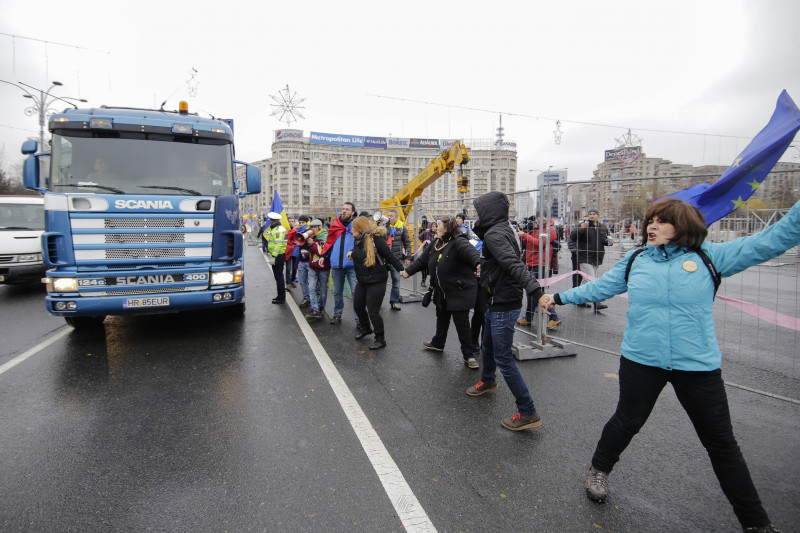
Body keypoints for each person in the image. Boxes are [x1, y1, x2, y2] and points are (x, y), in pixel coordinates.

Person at [542, 197, 800, 533]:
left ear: (684, 227)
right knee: (627, 420)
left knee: (721, 443)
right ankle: (599, 469)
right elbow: (602, 286)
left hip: (698, 367)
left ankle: (756, 523)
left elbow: (776, 238)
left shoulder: (710, 257)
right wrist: (558, 297)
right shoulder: (637, 260)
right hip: (641, 360)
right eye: (651, 220)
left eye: (662, 221)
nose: (652, 225)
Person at [465, 191, 551, 431]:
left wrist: (537, 292)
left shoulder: (494, 234)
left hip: (505, 301)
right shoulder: (501, 228)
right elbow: (501, 262)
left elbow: (514, 264)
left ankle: (528, 412)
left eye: (478, 211)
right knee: (488, 347)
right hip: (497, 298)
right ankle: (488, 381)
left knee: (503, 357)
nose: (475, 215)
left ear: (489, 212)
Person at [402, 216, 482, 368]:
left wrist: (478, 263)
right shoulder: (436, 242)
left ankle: (469, 354)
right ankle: (438, 343)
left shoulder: (459, 241)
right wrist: (408, 272)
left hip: (459, 291)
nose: (435, 227)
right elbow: (422, 260)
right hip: (442, 291)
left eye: (438, 225)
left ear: (446, 229)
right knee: (442, 317)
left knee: (462, 324)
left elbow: (470, 252)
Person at [347, 216, 405, 350]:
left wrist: (401, 269)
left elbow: (389, 255)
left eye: (353, 228)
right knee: (358, 306)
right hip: (363, 280)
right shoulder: (358, 240)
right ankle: (366, 328)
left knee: (373, 311)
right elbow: (360, 253)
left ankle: (380, 339)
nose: (351, 230)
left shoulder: (375, 239)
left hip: (377, 280)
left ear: (359, 228)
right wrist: (352, 253)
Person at [517, 217, 561, 329]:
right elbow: (526, 244)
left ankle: (553, 317)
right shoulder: (534, 228)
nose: (542, 219)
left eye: (545, 216)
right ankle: (529, 318)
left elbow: (541, 243)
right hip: (531, 263)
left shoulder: (550, 230)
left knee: (536, 292)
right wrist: (521, 235)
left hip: (541, 264)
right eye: (540, 216)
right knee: (531, 291)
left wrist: (525, 235)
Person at [568, 208, 612, 311]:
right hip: (584, 257)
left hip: (597, 257)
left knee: (585, 281)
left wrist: (610, 242)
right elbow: (572, 237)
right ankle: (597, 303)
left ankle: (578, 299)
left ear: (598, 216)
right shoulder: (583, 225)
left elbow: (605, 241)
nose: (592, 216)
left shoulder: (602, 227)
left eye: (594, 214)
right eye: (590, 214)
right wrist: (581, 229)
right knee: (592, 280)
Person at [322, 202, 359, 326]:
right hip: (336, 265)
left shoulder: (357, 225)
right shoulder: (335, 224)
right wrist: (324, 256)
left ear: (352, 212)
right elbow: (329, 242)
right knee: (337, 293)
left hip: (352, 266)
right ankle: (337, 315)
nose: (344, 211)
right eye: (343, 209)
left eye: (347, 209)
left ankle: (359, 320)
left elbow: (363, 243)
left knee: (356, 293)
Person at [384, 209, 411, 310]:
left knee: (396, 282)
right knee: (381, 280)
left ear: (396, 217)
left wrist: (408, 257)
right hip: (384, 259)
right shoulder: (384, 226)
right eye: (388, 215)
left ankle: (394, 302)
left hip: (396, 259)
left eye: (391, 216)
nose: (389, 217)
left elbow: (407, 242)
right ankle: (379, 300)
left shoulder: (402, 227)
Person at [305, 219, 330, 321]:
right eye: (311, 227)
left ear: (319, 227)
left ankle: (321, 307)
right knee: (312, 288)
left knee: (323, 290)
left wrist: (312, 245)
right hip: (312, 267)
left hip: (323, 268)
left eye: (315, 227)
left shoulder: (324, 237)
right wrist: (309, 252)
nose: (312, 229)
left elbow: (322, 252)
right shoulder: (313, 237)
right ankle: (314, 309)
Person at [286, 215, 312, 307]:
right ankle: (306, 298)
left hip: (309, 261)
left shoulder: (310, 231)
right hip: (301, 259)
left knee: (311, 281)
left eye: (303, 223)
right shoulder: (298, 231)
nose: (301, 224)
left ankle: (313, 298)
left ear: (307, 223)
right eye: (300, 222)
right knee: (302, 281)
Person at [263, 211, 288, 304]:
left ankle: (281, 298)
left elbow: (278, 245)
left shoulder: (278, 230)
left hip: (278, 256)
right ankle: (280, 296)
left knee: (279, 277)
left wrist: (273, 256)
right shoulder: (277, 228)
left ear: (272, 221)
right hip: (278, 255)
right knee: (278, 277)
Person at [415, 220, 437, 287]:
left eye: (435, 226)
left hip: (434, 254)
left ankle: (432, 283)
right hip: (426, 253)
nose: (434, 227)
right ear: (430, 227)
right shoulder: (426, 233)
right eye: (433, 226)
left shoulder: (437, 233)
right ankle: (423, 281)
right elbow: (420, 237)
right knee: (424, 268)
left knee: (432, 268)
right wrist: (424, 241)